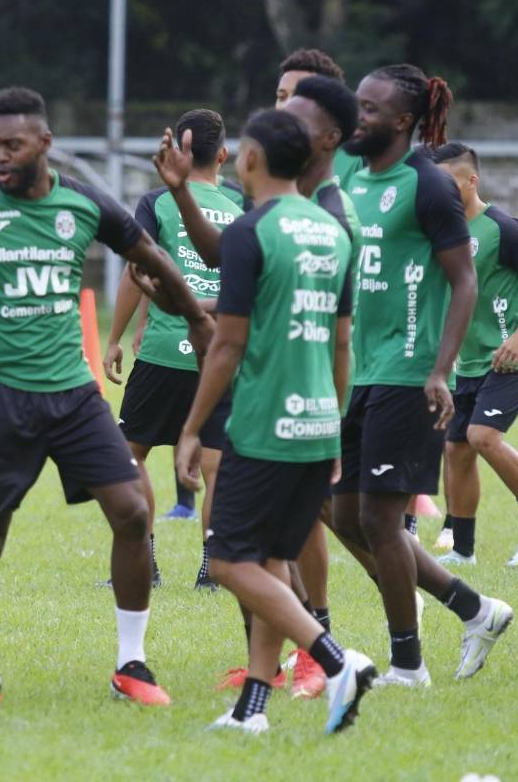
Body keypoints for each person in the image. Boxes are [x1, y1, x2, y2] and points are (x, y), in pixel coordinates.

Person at [0, 86, 213, 707]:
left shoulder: (83, 204)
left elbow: (150, 255)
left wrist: (197, 318)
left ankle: (132, 665)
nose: (0, 157)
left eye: (12, 145)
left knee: (132, 512)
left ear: (44, 142)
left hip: (73, 394)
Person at [169, 108, 375, 736]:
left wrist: (191, 428)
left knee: (229, 563)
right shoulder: (333, 231)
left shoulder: (250, 232)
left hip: (263, 425)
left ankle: (336, 661)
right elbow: (342, 344)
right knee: (274, 561)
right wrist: (334, 423)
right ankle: (252, 710)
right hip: (317, 422)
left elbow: (228, 344)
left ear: (252, 159)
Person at [331, 64, 512, 687]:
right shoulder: (350, 176)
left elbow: (464, 280)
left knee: (382, 522)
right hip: (358, 370)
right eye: (356, 105)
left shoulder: (428, 185)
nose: (357, 117)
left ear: (403, 121)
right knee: (344, 515)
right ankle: (474, 608)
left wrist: (440, 370)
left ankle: (408, 665)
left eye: (370, 109)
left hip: (410, 373)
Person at [102, 108, 244, 591]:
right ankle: (213, 570)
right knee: (216, 466)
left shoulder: (158, 201)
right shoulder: (242, 204)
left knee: (129, 455)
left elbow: (138, 269)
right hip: (223, 350)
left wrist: (115, 338)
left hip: (165, 350)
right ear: (223, 155)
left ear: (176, 154)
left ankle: (144, 563)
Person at [432, 142, 518, 566]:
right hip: (469, 362)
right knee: (457, 451)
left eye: (449, 183)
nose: (440, 192)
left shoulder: (503, 228)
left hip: (512, 358)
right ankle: (463, 550)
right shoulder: (441, 231)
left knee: (482, 437)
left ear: (472, 180)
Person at [275, 48, 364, 190]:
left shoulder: (357, 161)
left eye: (299, 97)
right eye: (282, 97)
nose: (288, 106)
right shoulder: (267, 161)